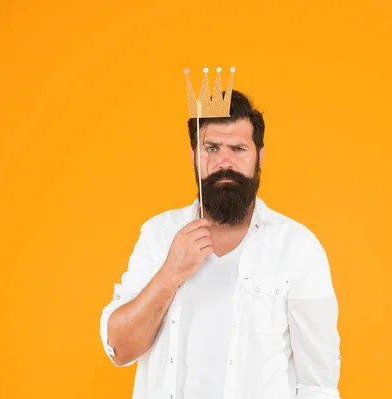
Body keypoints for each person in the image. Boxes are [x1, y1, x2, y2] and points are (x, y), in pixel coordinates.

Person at [100, 90, 342, 398]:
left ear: (260, 156)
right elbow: (120, 349)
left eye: (238, 148)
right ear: (193, 155)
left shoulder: (297, 248)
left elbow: (317, 385)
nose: (224, 162)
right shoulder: (157, 235)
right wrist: (170, 272)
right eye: (211, 148)